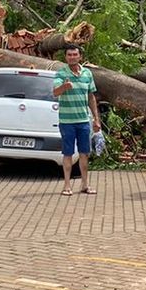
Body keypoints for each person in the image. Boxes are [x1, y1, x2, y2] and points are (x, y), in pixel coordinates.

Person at [53, 45, 101, 196]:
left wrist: (95, 119)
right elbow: (55, 92)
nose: (72, 57)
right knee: (67, 153)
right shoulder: (61, 74)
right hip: (67, 121)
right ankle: (67, 185)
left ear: (80, 56)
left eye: (75, 54)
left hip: (83, 120)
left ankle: (85, 184)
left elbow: (91, 97)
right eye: (69, 55)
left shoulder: (87, 73)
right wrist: (65, 86)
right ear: (65, 57)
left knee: (84, 153)